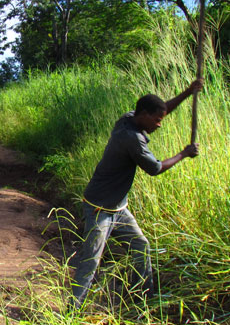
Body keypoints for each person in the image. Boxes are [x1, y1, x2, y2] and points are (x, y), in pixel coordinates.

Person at [69, 80, 202, 311]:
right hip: (99, 208)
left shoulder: (129, 117)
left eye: (161, 119)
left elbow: (162, 109)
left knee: (141, 246)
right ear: (144, 115)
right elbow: (155, 168)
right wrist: (184, 153)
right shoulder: (131, 138)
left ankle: (143, 300)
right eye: (157, 120)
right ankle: (72, 310)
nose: (159, 124)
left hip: (118, 207)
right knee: (91, 260)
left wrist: (188, 93)